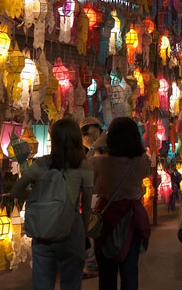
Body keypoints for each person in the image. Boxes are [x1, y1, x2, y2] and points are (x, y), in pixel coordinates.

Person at [12, 119, 93, 290]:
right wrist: (83, 232)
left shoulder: (41, 164)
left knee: (43, 283)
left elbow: (16, 191)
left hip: (43, 231)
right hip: (71, 230)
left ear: (53, 140)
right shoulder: (84, 166)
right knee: (71, 283)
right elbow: (86, 206)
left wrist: (38, 195)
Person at [88, 117, 151, 290]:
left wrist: (95, 144)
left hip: (107, 217)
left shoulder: (99, 162)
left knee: (106, 275)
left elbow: (83, 170)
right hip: (133, 217)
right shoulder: (142, 160)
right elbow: (146, 172)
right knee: (130, 271)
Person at [79, 117, 103, 279]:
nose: (84, 138)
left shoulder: (99, 152)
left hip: (97, 195)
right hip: (92, 195)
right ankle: (92, 263)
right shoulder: (91, 152)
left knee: (93, 229)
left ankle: (92, 265)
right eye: (86, 134)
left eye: (85, 134)